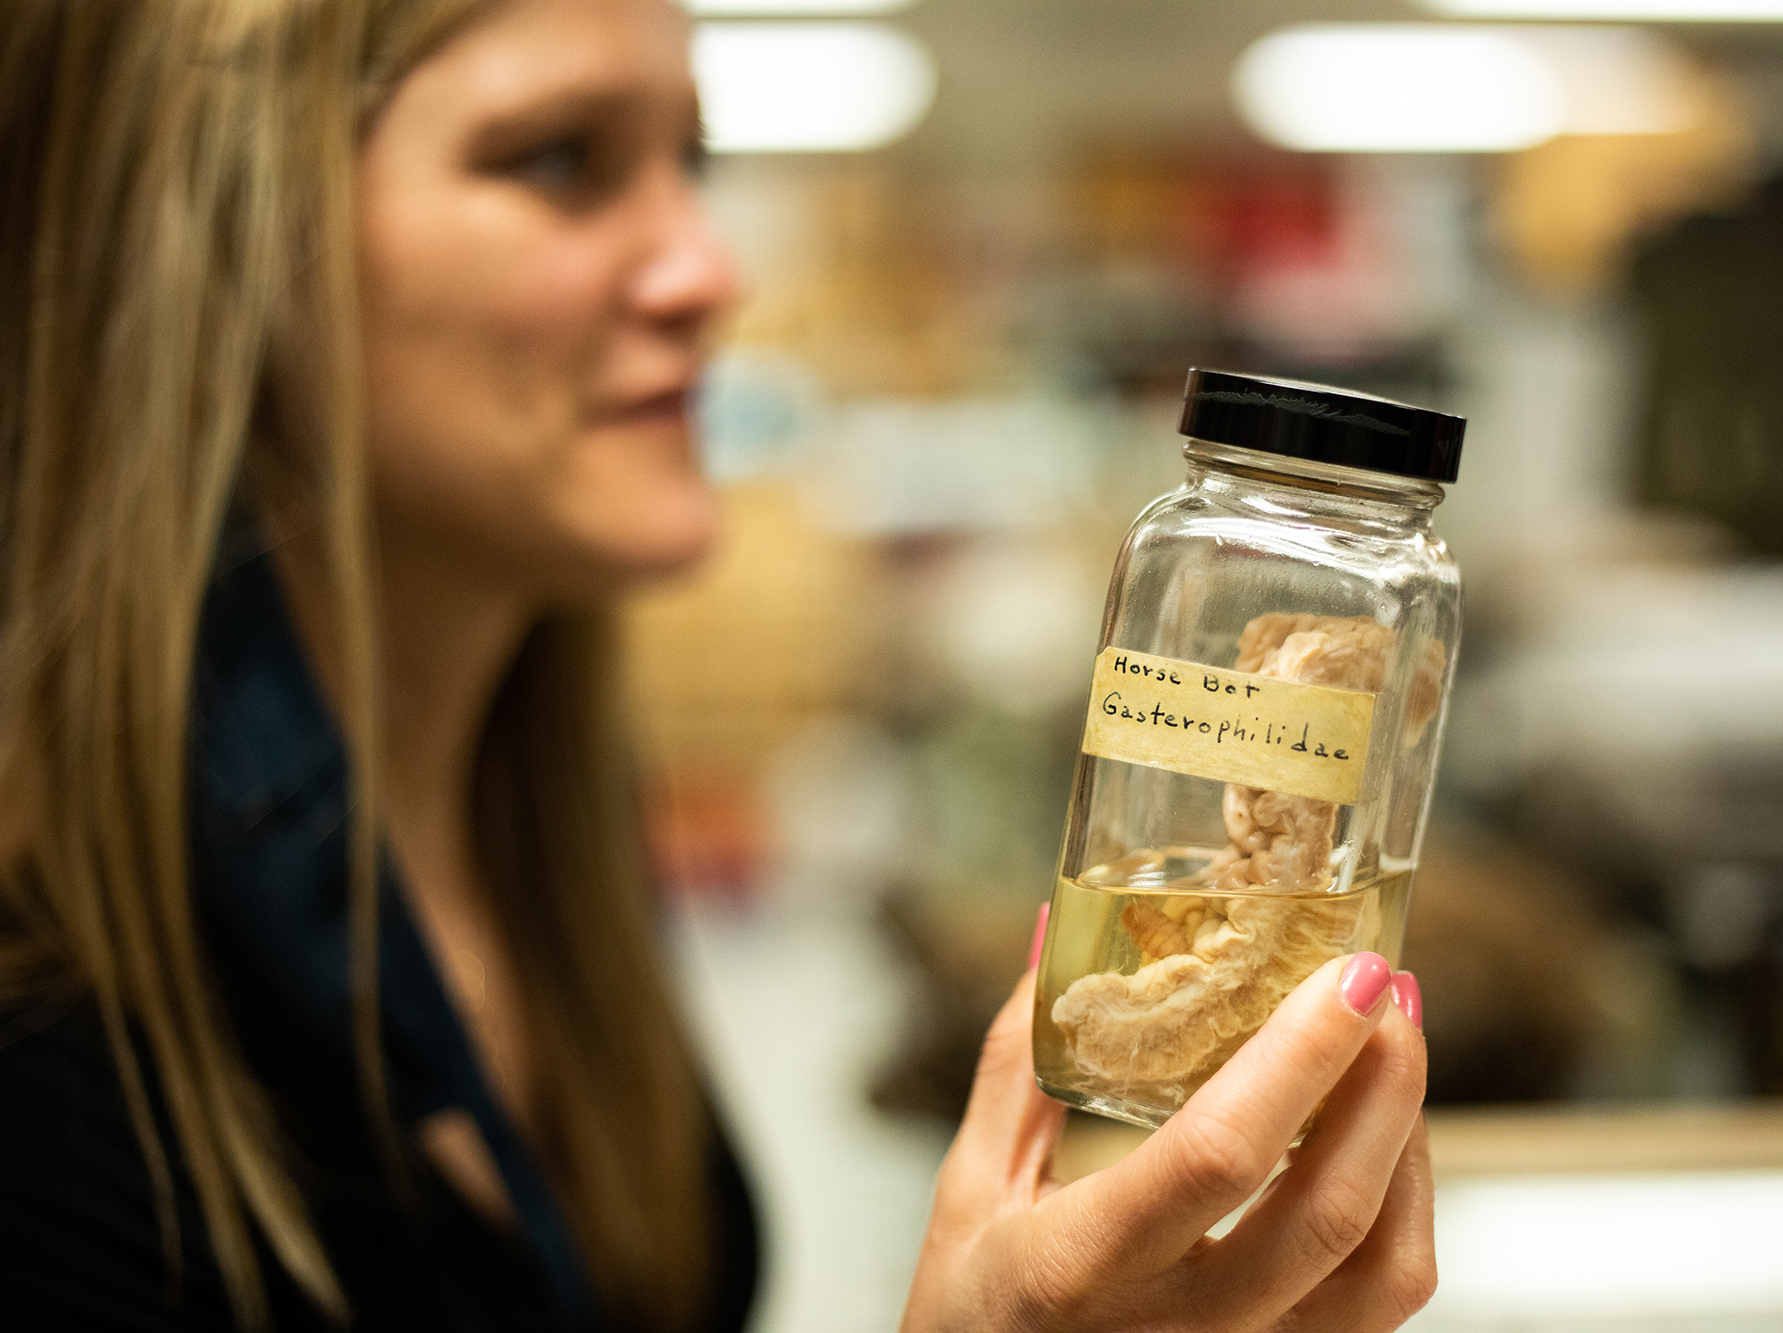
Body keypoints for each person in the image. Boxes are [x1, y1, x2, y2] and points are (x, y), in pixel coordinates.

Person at [0, 0, 1436, 1329]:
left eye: (690, 155)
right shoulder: (46, 1039)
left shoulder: (541, 826)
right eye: (558, 158)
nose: (709, 267)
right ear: (215, 239)